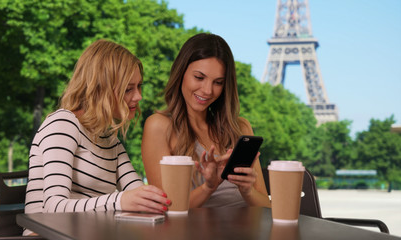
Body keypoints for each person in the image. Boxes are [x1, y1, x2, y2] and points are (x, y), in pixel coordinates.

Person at [24, 39, 170, 235]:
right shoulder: (62, 124)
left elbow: (137, 192)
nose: (138, 96)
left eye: (139, 87)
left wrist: (206, 184)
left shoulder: (109, 139)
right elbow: (53, 208)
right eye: (128, 89)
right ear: (101, 88)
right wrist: (120, 200)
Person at [141, 33, 270, 208]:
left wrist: (247, 191)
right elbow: (166, 208)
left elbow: (267, 208)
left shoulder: (240, 127)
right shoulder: (159, 126)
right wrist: (209, 187)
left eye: (218, 82)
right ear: (181, 73)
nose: (208, 90)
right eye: (199, 78)